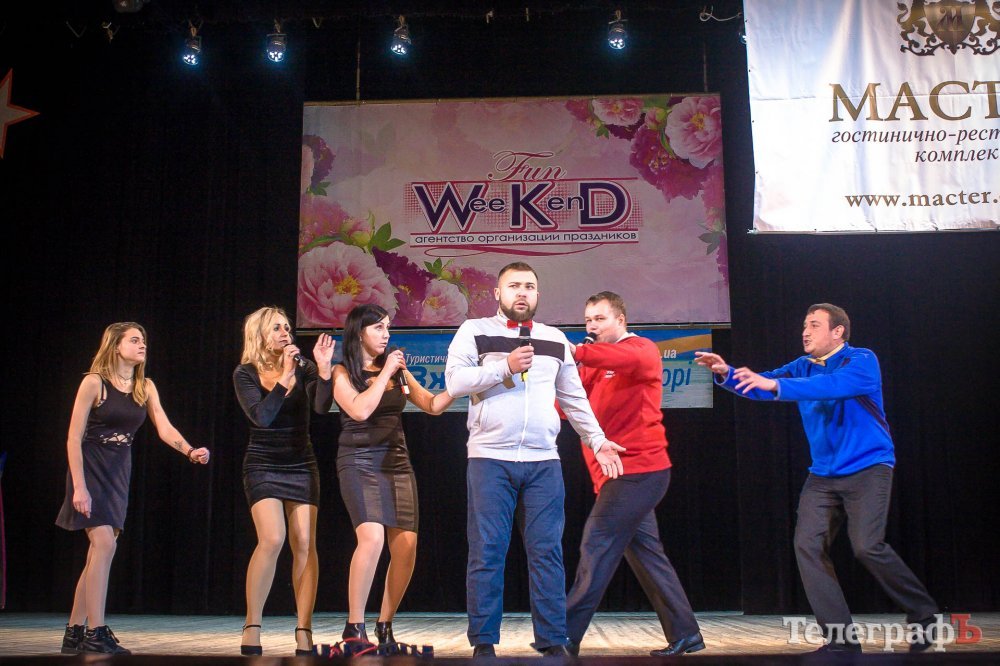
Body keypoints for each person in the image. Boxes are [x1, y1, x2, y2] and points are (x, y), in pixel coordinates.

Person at [695, 303, 939, 653]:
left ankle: (925, 616)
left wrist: (777, 384)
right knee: (807, 546)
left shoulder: (861, 360)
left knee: (867, 546)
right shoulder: (802, 366)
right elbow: (761, 385)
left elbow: (832, 385)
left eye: (814, 325)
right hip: (823, 477)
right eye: (804, 326)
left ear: (837, 332)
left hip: (868, 467)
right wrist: (726, 373)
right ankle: (841, 638)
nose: (805, 332)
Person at [445, 262, 625, 658]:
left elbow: (574, 397)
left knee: (547, 552)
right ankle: (484, 643)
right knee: (488, 550)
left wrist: (597, 439)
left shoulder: (554, 338)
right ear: (497, 293)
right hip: (490, 458)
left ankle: (552, 639)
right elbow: (455, 382)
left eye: (529, 286)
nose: (522, 293)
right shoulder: (474, 331)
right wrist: (504, 367)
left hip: (544, 461)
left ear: (538, 295)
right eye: (514, 286)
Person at [55, 322, 210, 655]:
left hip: (118, 472)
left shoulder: (145, 387)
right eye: (135, 340)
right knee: (104, 544)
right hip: (90, 468)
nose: (142, 345)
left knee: (99, 553)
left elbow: (164, 427)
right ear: (115, 346)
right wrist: (79, 487)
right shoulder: (94, 382)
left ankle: (74, 632)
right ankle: (95, 631)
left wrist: (189, 450)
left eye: (144, 341)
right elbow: (73, 437)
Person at [563, 292, 703, 657]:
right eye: (588, 320)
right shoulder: (592, 365)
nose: (592, 326)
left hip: (640, 471)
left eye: (600, 319)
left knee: (596, 542)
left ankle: (563, 635)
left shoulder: (641, 350)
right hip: (611, 476)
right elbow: (567, 407)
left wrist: (576, 352)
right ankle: (686, 633)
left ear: (621, 320)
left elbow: (616, 357)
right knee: (646, 555)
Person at [332, 303, 455, 646]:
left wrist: (464, 386)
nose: (386, 334)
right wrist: (386, 371)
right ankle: (354, 626)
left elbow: (431, 404)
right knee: (371, 538)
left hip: (397, 463)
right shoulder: (342, 372)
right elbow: (360, 410)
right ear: (359, 333)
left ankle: (384, 625)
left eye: (388, 327)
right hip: (359, 460)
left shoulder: (396, 370)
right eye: (378, 328)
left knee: (406, 546)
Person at [233, 306, 334, 656]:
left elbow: (322, 408)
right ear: (260, 334)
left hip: (301, 463)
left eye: (287, 328)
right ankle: (252, 624)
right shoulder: (245, 373)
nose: (285, 333)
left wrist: (323, 372)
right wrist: (285, 379)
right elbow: (261, 417)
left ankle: (304, 628)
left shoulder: (305, 367)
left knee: (305, 542)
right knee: (273, 538)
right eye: (277, 328)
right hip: (262, 463)